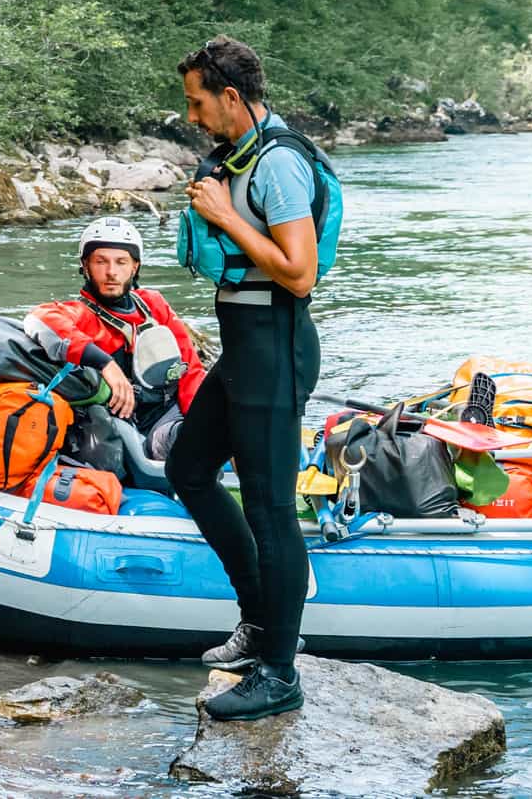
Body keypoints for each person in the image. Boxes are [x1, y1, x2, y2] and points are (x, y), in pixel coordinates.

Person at [166, 36, 321, 722]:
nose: (193, 115)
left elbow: (300, 270)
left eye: (199, 101)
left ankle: (279, 672)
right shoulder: (245, 152)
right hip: (243, 345)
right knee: (189, 466)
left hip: (275, 345)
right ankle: (258, 617)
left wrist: (226, 215)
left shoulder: (280, 165)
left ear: (231, 96)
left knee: (271, 511)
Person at [24, 216, 206, 485]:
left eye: (121, 262)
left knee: (225, 416)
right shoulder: (80, 313)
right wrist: (104, 363)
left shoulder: (153, 305)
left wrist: (204, 418)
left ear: (135, 266)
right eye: (101, 261)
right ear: (85, 266)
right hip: (128, 434)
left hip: (169, 414)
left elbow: (189, 370)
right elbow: (38, 319)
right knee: (185, 439)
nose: (111, 272)